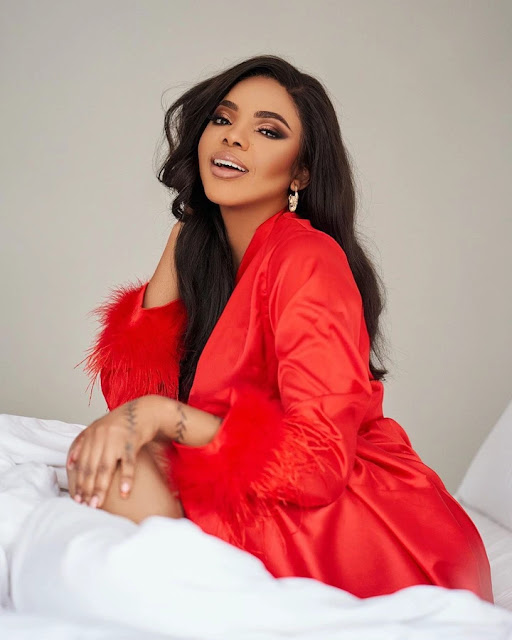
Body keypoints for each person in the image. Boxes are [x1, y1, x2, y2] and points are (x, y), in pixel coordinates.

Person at [70, 55, 493, 602]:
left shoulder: (309, 258)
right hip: (260, 486)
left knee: (123, 468)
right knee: (116, 458)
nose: (234, 138)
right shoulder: (204, 252)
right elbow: (130, 400)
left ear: (300, 173)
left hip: (370, 530)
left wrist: (159, 416)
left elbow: (317, 463)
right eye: (222, 120)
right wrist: (179, 242)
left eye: (267, 131)